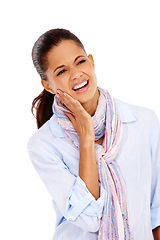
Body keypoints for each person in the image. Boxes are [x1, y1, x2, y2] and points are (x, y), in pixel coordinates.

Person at [27, 28, 160, 240]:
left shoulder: (144, 121)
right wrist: (86, 140)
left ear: (91, 61)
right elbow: (89, 220)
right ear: (48, 86)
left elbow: (157, 211)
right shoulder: (43, 144)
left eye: (80, 61)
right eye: (61, 71)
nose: (76, 74)